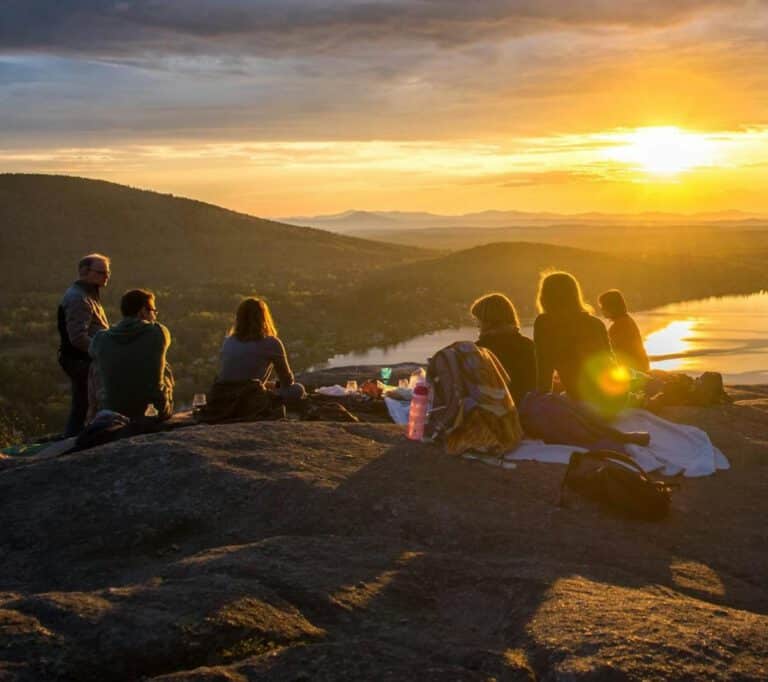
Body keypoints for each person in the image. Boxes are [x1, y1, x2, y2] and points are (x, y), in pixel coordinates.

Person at [534, 271, 624, 407]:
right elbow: (612, 363)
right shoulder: (595, 323)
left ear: (545, 297)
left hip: (582, 398)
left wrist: (541, 403)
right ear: (575, 294)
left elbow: (544, 370)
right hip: (612, 394)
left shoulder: (545, 323)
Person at [90, 289, 174, 420]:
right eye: (153, 310)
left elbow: (92, 352)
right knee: (164, 366)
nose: (155, 315)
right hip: (153, 412)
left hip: (113, 412)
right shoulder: (159, 333)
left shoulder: (100, 338)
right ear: (142, 312)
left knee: (99, 366)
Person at [58, 253, 111, 436]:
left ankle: (76, 440)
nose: (106, 276)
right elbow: (78, 337)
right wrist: (100, 352)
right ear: (84, 272)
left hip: (84, 358)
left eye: (107, 272)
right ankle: (74, 443)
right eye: (101, 272)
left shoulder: (88, 294)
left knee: (87, 404)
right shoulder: (78, 298)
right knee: (83, 405)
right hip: (81, 360)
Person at [217, 297, 306, 406]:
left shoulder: (228, 341)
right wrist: (277, 385)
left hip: (223, 397)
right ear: (263, 318)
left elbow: (237, 377)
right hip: (250, 399)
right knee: (297, 389)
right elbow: (287, 381)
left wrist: (272, 385)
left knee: (268, 386)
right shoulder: (271, 342)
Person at [470, 292, 536, 406]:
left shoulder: (479, 351)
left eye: (478, 320)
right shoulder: (529, 345)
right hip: (529, 413)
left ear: (487, 320)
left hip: (494, 417)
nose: (477, 326)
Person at [598, 289, 651, 373]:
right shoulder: (627, 320)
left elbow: (612, 351)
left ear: (611, 307)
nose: (601, 309)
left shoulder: (618, 326)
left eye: (602, 306)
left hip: (633, 371)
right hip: (641, 367)